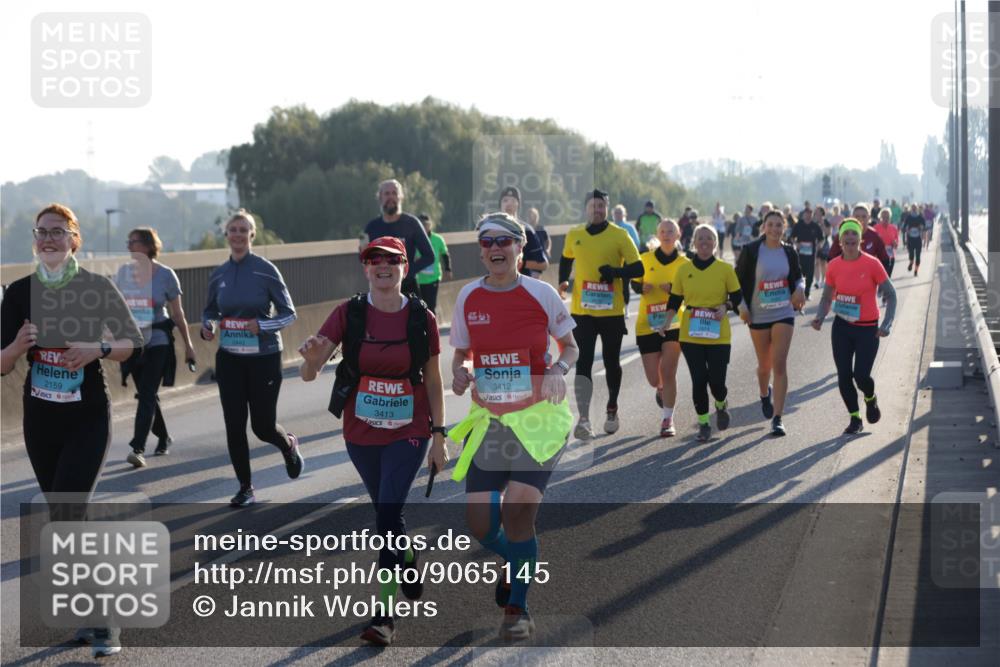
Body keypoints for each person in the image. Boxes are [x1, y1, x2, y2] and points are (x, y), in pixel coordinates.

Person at [1, 204, 144, 657]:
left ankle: (105, 623)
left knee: (66, 512)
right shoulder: (20, 292)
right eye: (41, 232)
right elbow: (1, 364)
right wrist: (15, 346)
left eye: (58, 232)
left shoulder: (95, 286)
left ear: (74, 239)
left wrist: (97, 347)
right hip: (40, 420)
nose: (48, 239)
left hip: (87, 419)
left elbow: (130, 344)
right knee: (66, 522)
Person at [298, 236, 445, 647]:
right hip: (361, 432)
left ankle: (384, 617)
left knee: (385, 517)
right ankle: (409, 559)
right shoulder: (350, 313)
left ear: (404, 268)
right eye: (374, 260)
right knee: (388, 515)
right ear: (366, 269)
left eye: (392, 260)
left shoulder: (422, 318)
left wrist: (438, 436)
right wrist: (310, 358)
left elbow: (433, 380)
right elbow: (310, 373)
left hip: (409, 429)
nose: (383, 266)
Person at [448, 212, 578, 641]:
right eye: (487, 242)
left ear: (521, 248)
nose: (495, 249)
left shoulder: (542, 294)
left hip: (538, 420)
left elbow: (571, 346)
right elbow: (461, 354)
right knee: (482, 525)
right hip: (491, 423)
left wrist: (558, 367)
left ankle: (517, 607)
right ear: (480, 251)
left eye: (505, 241)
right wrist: (462, 372)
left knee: (519, 510)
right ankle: (519, 559)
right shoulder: (468, 296)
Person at [201, 209, 303, 507]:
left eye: (243, 230)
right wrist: (208, 326)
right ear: (226, 235)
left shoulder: (265, 269)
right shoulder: (218, 274)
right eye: (233, 229)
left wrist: (263, 325)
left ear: (251, 235)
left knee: (262, 426)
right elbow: (210, 311)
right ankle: (245, 488)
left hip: (264, 357)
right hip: (230, 358)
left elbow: (289, 313)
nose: (237, 235)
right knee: (234, 424)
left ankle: (288, 445)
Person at [559, 189, 643, 439]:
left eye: (601, 206)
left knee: (610, 361)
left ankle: (612, 407)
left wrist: (615, 272)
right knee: (582, 363)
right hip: (582, 312)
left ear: (607, 208)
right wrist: (563, 281)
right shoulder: (575, 234)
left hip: (611, 311)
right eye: (593, 205)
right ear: (586, 208)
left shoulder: (619, 235)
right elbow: (565, 259)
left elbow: (638, 267)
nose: (597, 209)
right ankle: (584, 419)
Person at [115, 227, 197, 467]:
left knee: (148, 393)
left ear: (149, 246)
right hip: (133, 343)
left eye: (134, 242)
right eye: (128, 241)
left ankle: (137, 448)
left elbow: (178, 313)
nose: (129, 246)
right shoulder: (123, 274)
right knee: (146, 395)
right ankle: (163, 436)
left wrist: (189, 346)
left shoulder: (166, 275)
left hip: (159, 340)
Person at [811, 219, 897, 434]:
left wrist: (887, 323)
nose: (850, 242)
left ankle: (870, 397)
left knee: (861, 376)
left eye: (854, 238)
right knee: (843, 375)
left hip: (868, 328)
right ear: (840, 241)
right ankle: (855, 418)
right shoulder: (834, 265)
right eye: (846, 238)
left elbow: (891, 294)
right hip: (842, 327)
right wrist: (820, 317)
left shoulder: (872, 264)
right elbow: (826, 296)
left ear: (860, 240)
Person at [660, 224, 743, 442]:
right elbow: (675, 299)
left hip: (718, 334)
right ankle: (704, 424)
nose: (705, 242)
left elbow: (737, 297)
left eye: (709, 239)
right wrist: (666, 322)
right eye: (701, 239)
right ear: (694, 243)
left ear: (715, 243)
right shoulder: (684, 270)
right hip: (691, 333)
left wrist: (725, 308)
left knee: (717, 382)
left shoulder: (725, 269)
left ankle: (721, 403)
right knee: (698, 379)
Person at [735, 210, 806, 436]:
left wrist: (800, 290)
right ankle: (764, 394)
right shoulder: (752, 250)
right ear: (764, 227)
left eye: (779, 225)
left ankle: (778, 417)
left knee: (779, 364)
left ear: (784, 228)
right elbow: (736, 282)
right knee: (764, 366)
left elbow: (798, 276)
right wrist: (741, 307)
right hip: (758, 315)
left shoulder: (789, 251)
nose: (775, 229)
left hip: (783, 312)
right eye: (771, 225)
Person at [631, 219, 689, 437]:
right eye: (662, 231)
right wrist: (640, 286)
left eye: (670, 231)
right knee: (655, 378)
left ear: (678, 234)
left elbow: (691, 290)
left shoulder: (685, 263)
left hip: (675, 322)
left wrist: (674, 289)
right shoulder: (645, 259)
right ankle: (660, 388)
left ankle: (668, 419)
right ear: (657, 234)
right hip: (648, 324)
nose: (666, 234)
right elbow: (634, 281)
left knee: (668, 371)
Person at [364, 179, 435, 294]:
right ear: (380, 198)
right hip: (380, 292)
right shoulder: (372, 227)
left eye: (394, 193)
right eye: (387, 193)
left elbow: (429, 256)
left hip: (408, 290)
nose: (391, 197)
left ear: (400, 197)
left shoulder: (412, 223)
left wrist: (405, 272)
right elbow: (364, 258)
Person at [498, 186, 548, 278]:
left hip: (521, 286)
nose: (509, 204)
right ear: (500, 205)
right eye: (505, 200)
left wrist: (520, 262)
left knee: (584, 292)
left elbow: (543, 264)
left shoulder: (526, 230)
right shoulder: (492, 230)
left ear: (518, 205)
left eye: (513, 201)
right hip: (497, 287)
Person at [828, 203, 891, 273]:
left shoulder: (874, 236)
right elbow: (831, 258)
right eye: (857, 216)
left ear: (869, 218)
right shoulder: (843, 235)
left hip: (867, 278)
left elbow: (885, 260)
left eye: (864, 216)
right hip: (846, 276)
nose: (860, 220)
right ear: (852, 217)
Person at [414, 214, 452, 314]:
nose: (423, 227)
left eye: (425, 224)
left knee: (431, 305)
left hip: (433, 277)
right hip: (418, 279)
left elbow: (445, 254)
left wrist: (448, 269)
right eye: (420, 224)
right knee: (419, 306)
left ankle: (431, 327)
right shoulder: (414, 240)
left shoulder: (438, 239)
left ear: (430, 225)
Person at [788, 207, 824, 300]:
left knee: (810, 274)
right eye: (806, 214)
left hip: (811, 254)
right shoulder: (798, 225)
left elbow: (821, 239)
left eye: (810, 214)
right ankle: (800, 292)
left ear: (812, 215)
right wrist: (796, 244)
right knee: (800, 273)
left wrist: (819, 245)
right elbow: (792, 237)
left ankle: (807, 293)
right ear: (803, 215)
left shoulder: (815, 226)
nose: (808, 216)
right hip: (800, 254)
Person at [873, 208, 900, 277]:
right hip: (879, 257)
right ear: (880, 218)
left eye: (887, 217)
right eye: (883, 217)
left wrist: (894, 243)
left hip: (890, 256)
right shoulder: (875, 228)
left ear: (890, 217)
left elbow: (896, 245)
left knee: (888, 277)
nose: (886, 219)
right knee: (881, 277)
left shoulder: (893, 228)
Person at [902, 204, 928, 275]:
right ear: (911, 209)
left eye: (915, 208)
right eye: (912, 208)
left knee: (918, 255)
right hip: (910, 238)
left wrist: (921, 228)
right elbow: (904, 227)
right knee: (911, 254)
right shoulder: (908, 217)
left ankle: (916, 270)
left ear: (917, 209)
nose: (914, 209)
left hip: (918, 239)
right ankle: (911, 262)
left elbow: (925, 227)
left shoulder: (920, 217)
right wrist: (906, 229)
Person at [815, 207, 832, 289]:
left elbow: (828, 233)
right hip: (815, 244)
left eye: (818, 212)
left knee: (823, 263)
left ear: (822, 213)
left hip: (824, 244)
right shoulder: (814, 222)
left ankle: (823, 280)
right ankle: (817, 281)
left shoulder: (826, 222)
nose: (816, 213)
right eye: (816, 212)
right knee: (816, 262)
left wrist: (822, 225)